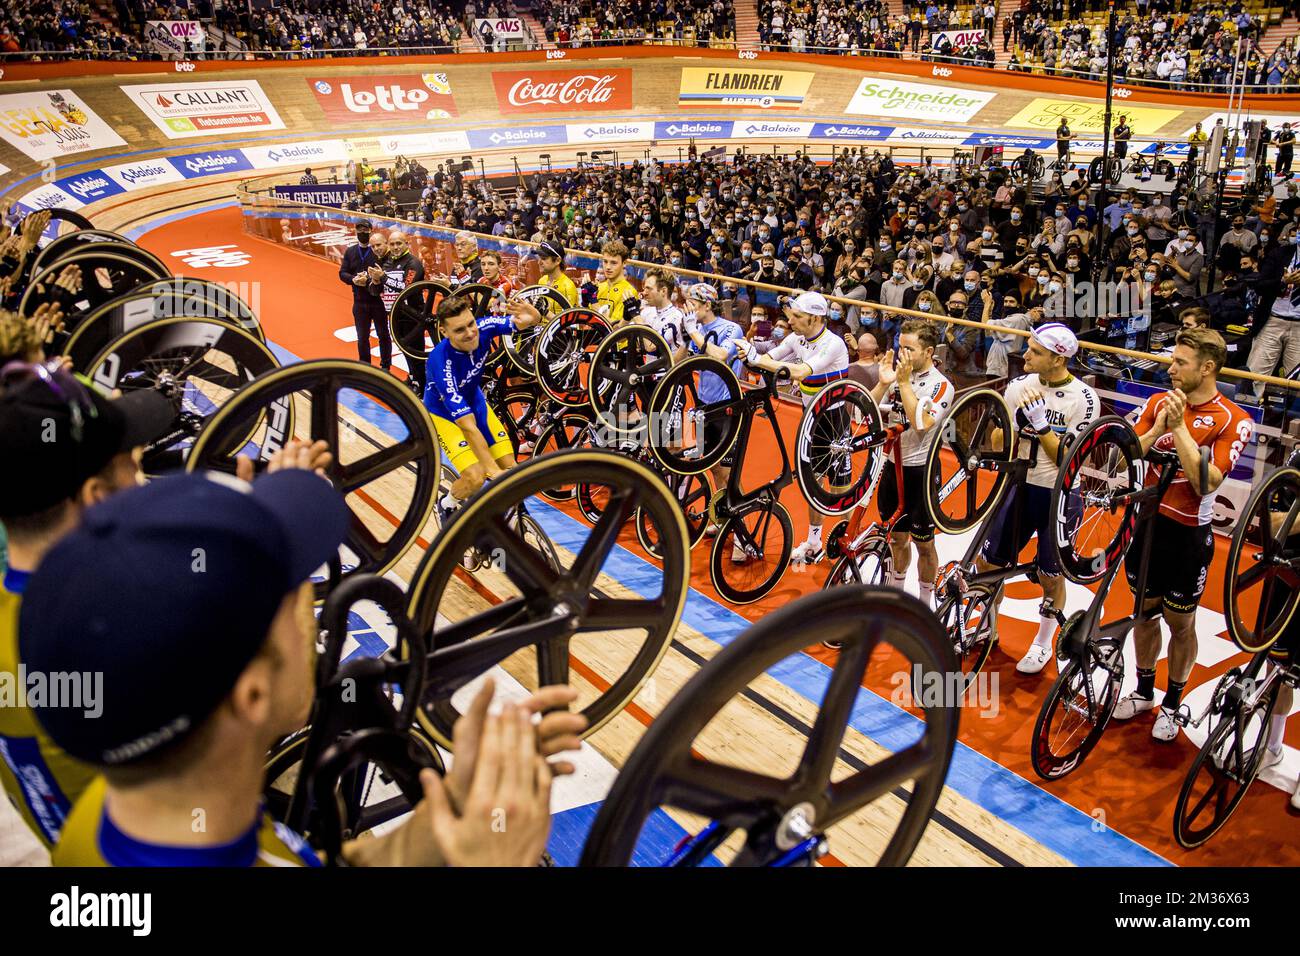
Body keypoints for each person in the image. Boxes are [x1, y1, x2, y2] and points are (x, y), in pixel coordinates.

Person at [21, 466, 583, 867]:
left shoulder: (124, 805)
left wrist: (447, 822)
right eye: (295, 593)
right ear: (252, 695)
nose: (315, 612)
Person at [0, 363, 174, 852]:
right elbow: (276, 706)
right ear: (96, 498)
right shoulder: (121, 633)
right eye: (132, 467)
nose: (141, 483)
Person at [1112, 328, 1253, 741]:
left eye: (1180, 363)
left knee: (1181, 621)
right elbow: (1126, 456)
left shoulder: (1234, 420)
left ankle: (1172, 703)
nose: (1170, 368)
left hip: (1188, 534)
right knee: (1143, 611)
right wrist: (1157, 429)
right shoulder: (1158, 401)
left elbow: (1206, 482)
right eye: (1172, 360)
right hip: (1146, 524)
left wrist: (1182, 429)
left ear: (1208, 368)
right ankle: (1142, 690)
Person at [976, 325, 1100, 673]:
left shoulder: (1084, 398)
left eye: (1034, 352)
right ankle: (988, 627)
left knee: (1050, 574)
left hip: (1058, 494)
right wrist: (1011, 426)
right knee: (989, 565)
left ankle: (1043, 643)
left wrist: (1042, 426)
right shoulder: (1019, 386)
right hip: (1019, 484)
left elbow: (1069, 459)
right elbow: (1001, 442)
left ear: (1058, 358)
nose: (1025, 355)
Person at [735, 291, 849, 564]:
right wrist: (749, 352)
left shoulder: (832, 344)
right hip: (810, 416)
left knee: (839, 488)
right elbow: (769, 359)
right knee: (812, 482)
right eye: (792, 314)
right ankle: (813, 541)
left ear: (815, 317)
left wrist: (759, 359)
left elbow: (798, 372)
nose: (791, 319)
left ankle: (848, 541)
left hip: (835, 419)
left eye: (798, 316)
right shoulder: (796, 338)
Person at [425, 296, 543, 515]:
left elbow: (527, 320)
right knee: (477, 477)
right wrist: (490, 469)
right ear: (444, 332)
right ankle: (447, 504)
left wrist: (533, 314)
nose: (470, 333)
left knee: (511, 471)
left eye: (471, 324)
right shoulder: (440, 361)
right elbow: (466, 424)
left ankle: (515, 518)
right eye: (460, 330)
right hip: (446, 416)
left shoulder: (484, 327)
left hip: (475, 402)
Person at [869, 320, 955, 609]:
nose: (902, 353)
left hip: (921, 472)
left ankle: (924, 602)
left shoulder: (941, 385)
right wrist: (882, 383)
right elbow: (864, 411)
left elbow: (921, 424)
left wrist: (903, 383)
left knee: (924, 544)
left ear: (928, 351)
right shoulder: (896, 375)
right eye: (899, 346)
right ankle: (896, 593)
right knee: (896, 539)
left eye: (909, 348)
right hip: (892, 467)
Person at [682, 283, 745, 533]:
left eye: (693, 304)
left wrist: (694, 332)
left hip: (729, 408)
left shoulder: (732, 328)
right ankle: (723, 519)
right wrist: (686, 336)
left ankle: (742, 534)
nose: (688, 309)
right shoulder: (696, 329)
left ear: (707, 305)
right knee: (715, 469)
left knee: (729, 475)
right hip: (705, 407)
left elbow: (720, 355)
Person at [339, 225, 390, 370]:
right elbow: (342, 273)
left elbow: (384, 272)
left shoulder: (378, 253)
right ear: (355, 232)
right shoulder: (350, 251)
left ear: (370, 231)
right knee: (362, 337)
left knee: (383, 335)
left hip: (378, 301)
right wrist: (353, 279)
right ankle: (365, 366)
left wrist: (367, 279)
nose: (362, 233)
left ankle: (385, 366)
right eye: (359, 231)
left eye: (365, 230)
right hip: (359, 301)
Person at [377, 229, 424, 373]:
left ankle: (421, 382)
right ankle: (413, 378)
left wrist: (383, 277)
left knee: (415, 352)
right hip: (395, 315)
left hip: (413, 316)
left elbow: (406, 287)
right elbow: (381, 289)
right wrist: (373, 281)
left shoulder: (413, 263)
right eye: (392, 244)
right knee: (404, 349)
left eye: (399, 243)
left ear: (407, 244)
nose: (395, 247)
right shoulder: (388, 263)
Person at [596, 240, 639, 324]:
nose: (608, 267)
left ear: (624, 263)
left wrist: (594, 304)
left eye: (613, 263)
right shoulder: (599, 287)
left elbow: (616, 328)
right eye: (605, 261)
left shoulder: (629, 292)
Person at [536, 240, 578, 307]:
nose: (539, 262)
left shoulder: (568, 287)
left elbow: (570, 317)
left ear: (557, 261)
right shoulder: (542, 280)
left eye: (544, 258)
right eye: (539, 258)